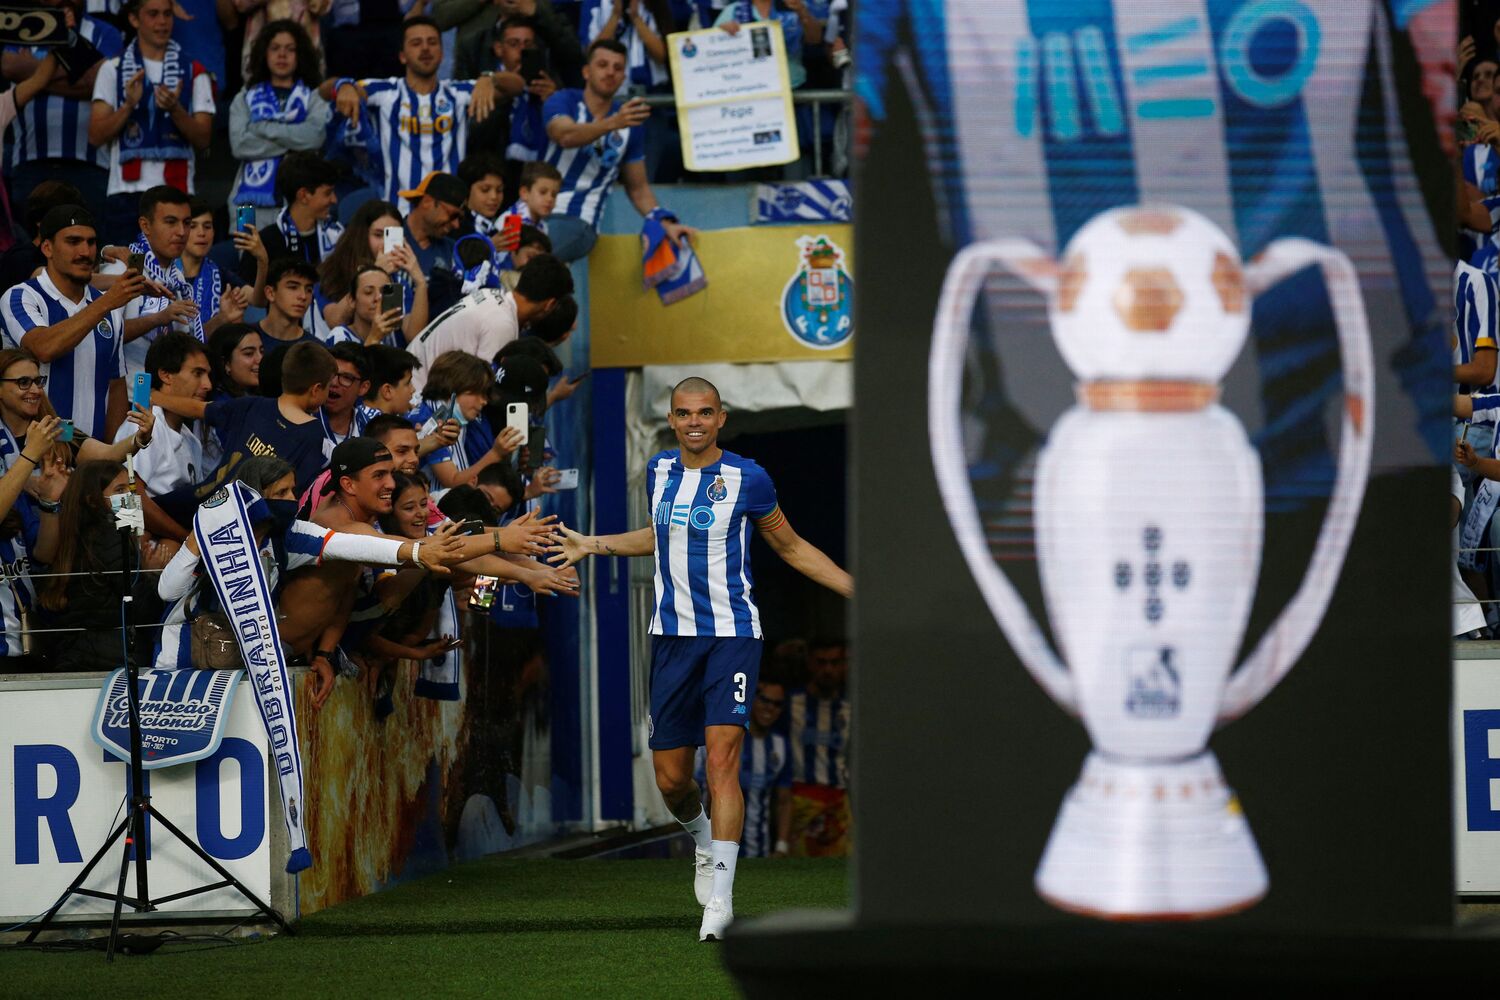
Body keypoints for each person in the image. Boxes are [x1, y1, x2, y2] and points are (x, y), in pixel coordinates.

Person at [552, 375, 852, 941]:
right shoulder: (659, 470)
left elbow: (790, 546)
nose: (695, 422)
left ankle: (721, 900)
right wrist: (592, 544)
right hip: (671, 637)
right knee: (671, 780)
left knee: (721, 761)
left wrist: (856, 588)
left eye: (705, 412)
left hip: (732, 634)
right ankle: (703, 840)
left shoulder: (749, 478)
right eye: (685, 413)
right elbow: (659, 537)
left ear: (721, 418)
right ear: (672, 419)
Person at [320, 17, 501, 215]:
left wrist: (490, 78)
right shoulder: (385, 92)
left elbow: (517, 85)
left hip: (450, 217)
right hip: (393, 215)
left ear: (442, 53)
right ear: (402, 56)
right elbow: (324, 90)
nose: (425, 49)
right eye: (416, 43)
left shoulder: (458, 93)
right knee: (389, 237)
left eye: (432, 42)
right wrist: (344, 85)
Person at [541, 39, 696, 262]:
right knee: (499, 259)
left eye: (618, 68)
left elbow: (639, 189)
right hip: (532, 212)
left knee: (531, 258)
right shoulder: (564, 100)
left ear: (623, 78)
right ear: (586, 72)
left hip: (577, 219)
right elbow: (564, 135)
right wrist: (612, 123)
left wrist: (664, 222)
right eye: (602, 65)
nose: (610, 72)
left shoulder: (630, 125)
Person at [0, 205, 144, 440]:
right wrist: (107, 302)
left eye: (91, 242)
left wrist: (112, 453)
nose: (85, 252)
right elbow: (43, 348)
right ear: (47, 248)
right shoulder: (21, 297)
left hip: (92, 455)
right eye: (73, 241)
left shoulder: (110, 311)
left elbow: (115, 387)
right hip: (33, 454)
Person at [88, 0, 216, 245]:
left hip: (177, 192)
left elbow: (203, 139)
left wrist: (175, 109)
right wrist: (128, 105)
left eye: (167, 14)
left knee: (174, 270)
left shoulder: (194, 71)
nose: (162, 22)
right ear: (134, 19)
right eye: (153, 14)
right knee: (128, 267)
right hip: (126, 193)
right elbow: (95, 135)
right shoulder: (112, 69)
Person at [37, 458, 175, 671]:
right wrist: (153, 573)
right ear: (93, 501)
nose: (129, 497)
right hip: (109, 664)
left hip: (83, 656)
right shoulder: (111, 537)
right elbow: (143, 610)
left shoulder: (82, 535)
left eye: (130, 490)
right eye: (120, 490)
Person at [156, 338, 334, 497]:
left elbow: (198, 409)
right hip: (251, 520)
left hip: (200, 502)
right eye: (328, 388)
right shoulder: (313, 435)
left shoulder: (252, 405)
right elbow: (297, 495)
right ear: (316, 389)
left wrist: (156, 397)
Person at [2, 2, 121, 217]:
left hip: (91, 166)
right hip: (30, 162)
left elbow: (103, 80)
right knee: (33, 237)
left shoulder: (105, 32)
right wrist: (79, 74)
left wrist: (35, 81)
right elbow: (9, 67)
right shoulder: (24, 25)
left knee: (86, 235)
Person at [406, 252, 572, 394]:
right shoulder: (502, 323)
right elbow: (483, 391)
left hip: (409, 383)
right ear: (550, 304)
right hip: (415, 400)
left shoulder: (490, 295)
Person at [229, 20, 333, 229]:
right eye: (275, 48)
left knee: (295, 250)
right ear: (264, 53)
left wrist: (261, 128)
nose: (282, 55)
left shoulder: (314, 97)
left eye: (290, 49)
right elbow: (240, 145)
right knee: (245, 248)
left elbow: (315, 138)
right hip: (245, 202)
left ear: (300, 55)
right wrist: (293, 144)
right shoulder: (244, 97)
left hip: (301, 201)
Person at [695, 678, 793, 859]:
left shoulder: (780, 746)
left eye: (777, 704)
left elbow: (783, 800)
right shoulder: (723, 741)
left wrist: (781, 846)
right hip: (714, 852)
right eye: (765, 700)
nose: (770, 708)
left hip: (759, 851)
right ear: (750, 699)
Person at [119, 330, 207, 526]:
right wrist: (135, 545)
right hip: (140, 537)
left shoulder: (192, 441)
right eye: (197, 373)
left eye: (208, 375)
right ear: (166, 375)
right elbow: (126, 495)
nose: (207, 385)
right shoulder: (142, 426)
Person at [783, 638, 851, 858]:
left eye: (835, 662)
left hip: (840, 805)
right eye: (821, 662)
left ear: (844, 665)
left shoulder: (852, 708)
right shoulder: (789, 703)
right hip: (800, 803)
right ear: (810, 664)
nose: (828, 670)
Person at [318, 198, 430, 333]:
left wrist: (420, 283)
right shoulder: (332, 272)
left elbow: (413, 336)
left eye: (391, 237)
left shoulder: (398, 282)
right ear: (361, 236)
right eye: (378, 235)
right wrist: (375, 273)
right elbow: (335, 321)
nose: (384, 244)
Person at [418, 350, 523, 488]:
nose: (484, 401)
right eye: (477, 392)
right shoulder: (430, 419)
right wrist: (495, 454)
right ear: (453, 387)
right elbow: (452, 481)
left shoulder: (457, 416)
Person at [245, 151, 344, 274]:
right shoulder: (263, 244)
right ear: (304, 195)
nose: (334, 200)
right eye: (327, 193)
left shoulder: (339, 237)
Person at [182, 199, 265, 334]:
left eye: (207, 226)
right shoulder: (164, 274)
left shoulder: (220, 274)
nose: (201, 233)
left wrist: (262, 260)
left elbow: (258, 301)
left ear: (214, 232)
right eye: (193, 226)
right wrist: (221, 318)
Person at [0, 181, 86, 294]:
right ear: (39, 220)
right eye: (62, 218)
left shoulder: (68, 256)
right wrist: (111, 282)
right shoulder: (20, 257)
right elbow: (61, 283)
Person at [716, 0, 822, 90]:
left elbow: (815, 39)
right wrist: (723, 31)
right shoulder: (733, 11)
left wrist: (802, 12)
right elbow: (714, 51)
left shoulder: (795, 5)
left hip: (791, 86)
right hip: (751, 88)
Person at [323, 265, 409, 348]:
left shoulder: (383, 343)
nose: (378, 297)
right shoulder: (340, 335)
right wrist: (374, 338)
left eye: (384, 292)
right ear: (352, 300)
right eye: (368, 292)